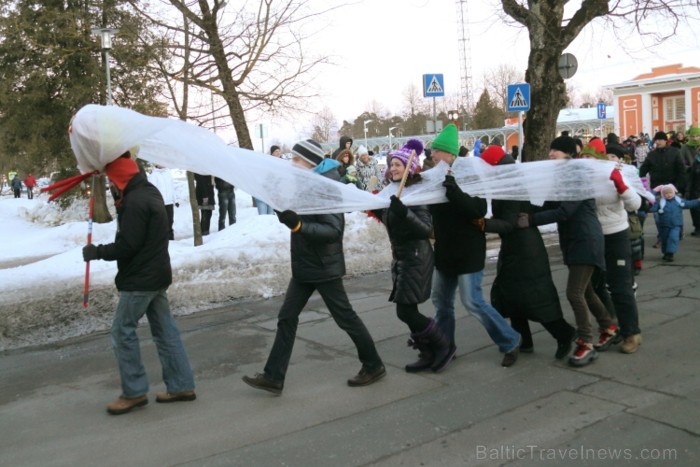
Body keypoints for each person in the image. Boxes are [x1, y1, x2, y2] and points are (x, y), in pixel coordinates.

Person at [243, 139, 385, 395]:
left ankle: (374, 364)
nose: (293, 164)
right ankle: (273, 376)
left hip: (324, 266)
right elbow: (296, 217)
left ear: (310, 163)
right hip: (304, 266)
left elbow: (332, 230)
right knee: (286, 318)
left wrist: (299, 226)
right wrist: (285, 214)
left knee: (346, 319)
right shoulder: (304, 185)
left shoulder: (326, 189)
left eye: (297, 160)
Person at [82, 153, 195, 415]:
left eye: (111, 180)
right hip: (156, 274)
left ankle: (133, 392)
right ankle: (181, 385)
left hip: (140, 280)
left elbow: (128, 245)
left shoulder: (134, 201)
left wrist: (96, 252)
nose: (111, 185)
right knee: (166, 332)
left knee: (122, 332)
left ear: (119, 178)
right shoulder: (149, 192)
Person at [428, 124, 522, 367]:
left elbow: (478, 210)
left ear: (447, 154)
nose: (431, 155)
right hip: (445, 252)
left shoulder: (469, 175)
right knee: (441, 303)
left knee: (473, 302)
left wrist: (455, 192)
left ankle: (510, 340)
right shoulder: (434, 177)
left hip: (468, 250)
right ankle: (445, 346)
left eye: (435, 151)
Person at [518, 136, 615, 367]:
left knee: (574, 293)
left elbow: (564, 212)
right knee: (587, 291)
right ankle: (608, 327)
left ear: (569, 153)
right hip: (574, 241)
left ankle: (585, 342)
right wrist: (522, 208)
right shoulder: (563, 176)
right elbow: (550, 205)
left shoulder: (578, 176)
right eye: (551, 149)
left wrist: (531, 220)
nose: (550, 154)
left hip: (585, 240)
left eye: (556, 150)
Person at [480, 145, 576, 359]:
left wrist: (482, 224)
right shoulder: (506, 181)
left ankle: (565, 333)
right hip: (517, 247)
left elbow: (509, 223)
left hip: (525, 250)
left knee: (535, 298)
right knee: (514, 297)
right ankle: (524, 340)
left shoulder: (510, 186)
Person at [373, 139, 453, 372]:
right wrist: (379, 209)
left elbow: (425, 229)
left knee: (405, 310)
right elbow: (394, 222)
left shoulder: (417, 193)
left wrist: (404, 211)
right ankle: (428, 352)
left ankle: (443, 346)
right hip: (402, 257)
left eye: (399, 164)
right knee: (406, 310)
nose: (395, 168)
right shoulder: (395, 190)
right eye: (392, 164)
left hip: (417, 256)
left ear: (411, 167)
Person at [648, 184, 700, 262]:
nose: (668, 195)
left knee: (673, 238)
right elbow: (651, 209)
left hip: (676, 225)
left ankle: (670, 253)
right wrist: (650, 200)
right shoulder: (660, 203)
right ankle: (666, 253)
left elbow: (689, 203)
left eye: (670, 193)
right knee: (665, 239)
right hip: (664, 225)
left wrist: (697, 201)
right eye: (666, 193)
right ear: (663, 194)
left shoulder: (679, 201)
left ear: (674, 193)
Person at [148, 165, 178, 240]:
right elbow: (153, 190)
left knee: (170, 220)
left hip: (169, 202)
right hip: (160, 203)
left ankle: (170, 238)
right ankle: (162, 238)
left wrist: (175, 200)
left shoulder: (168, 173)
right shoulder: (153, 175)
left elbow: (172, 187)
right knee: (162, 221)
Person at [681, 127, 700, 235]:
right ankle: (697, 227)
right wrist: (689, 167)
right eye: (693, 136)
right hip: (691, 178)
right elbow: (681, 162)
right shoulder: (685, 147)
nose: (695, 138)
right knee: (694, 205)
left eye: (697, 136)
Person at [256, 145, 281, 215]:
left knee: (270, 217)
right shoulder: (267, 163)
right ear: (272, 153)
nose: (278, 153)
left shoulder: (281, 165)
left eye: (279, 151)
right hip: (262, 195)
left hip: (272, 197)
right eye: (276, 151)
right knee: (263, 217)